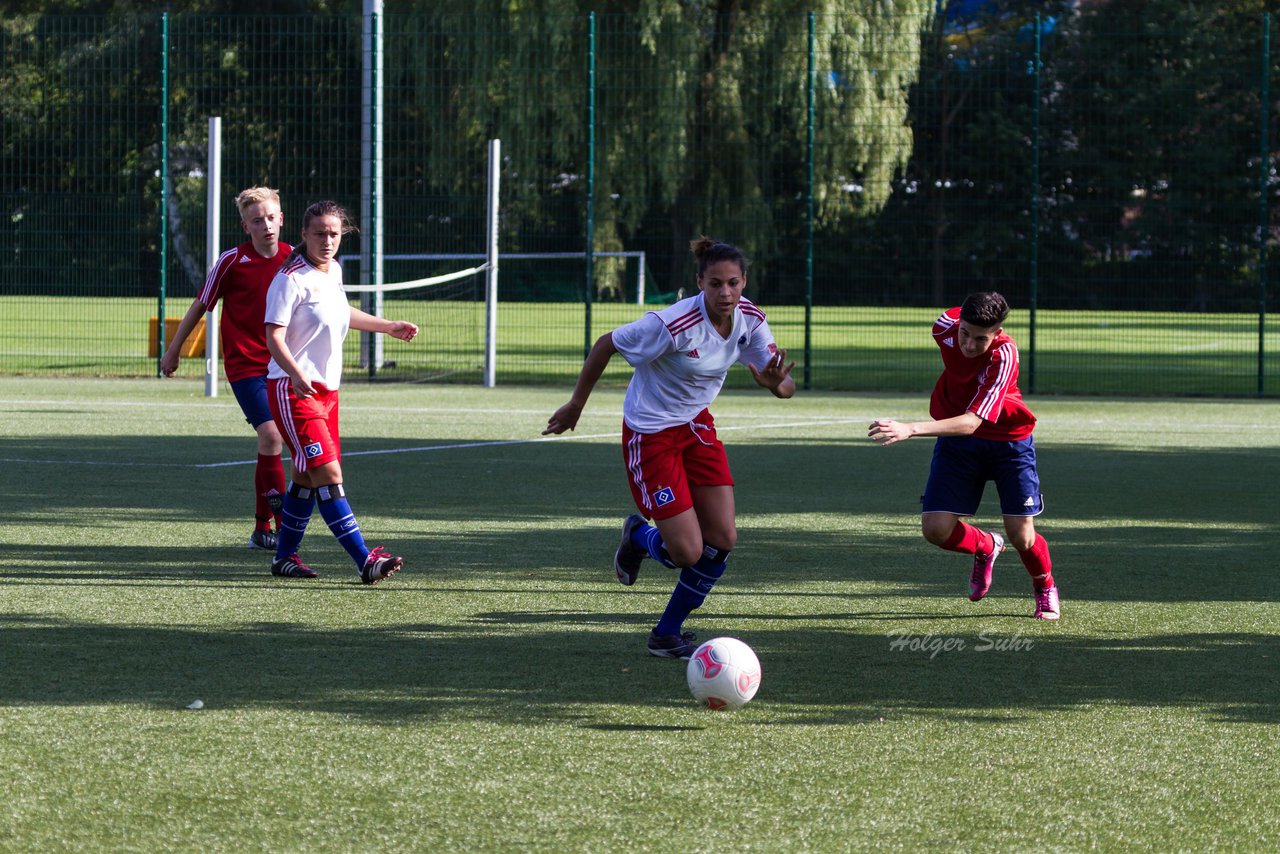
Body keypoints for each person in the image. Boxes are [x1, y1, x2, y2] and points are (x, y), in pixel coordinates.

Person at [544, 237, 796, 658]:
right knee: (686, 551)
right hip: (651, 433)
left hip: (696, 425)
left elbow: (783, 384)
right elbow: (607, 342)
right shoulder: (674, 323)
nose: (725, 293)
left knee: (723, 538)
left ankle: (666, 632)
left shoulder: (749, 318)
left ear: (744, 281)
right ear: (700, 282)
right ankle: (639, 536)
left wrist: (776, 386)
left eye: (733, 283)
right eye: (715, 284)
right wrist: (576, 405)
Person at [867, 291, 1060, 620]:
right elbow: (964, 423)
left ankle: (1044, 585)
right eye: (965, 334)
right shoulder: (945, 325)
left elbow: (973, 422)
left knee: (1022, 535)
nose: (969, 345)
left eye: (980, 339)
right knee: (935, 529)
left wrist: (911, 428)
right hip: (958, 441)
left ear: (997, 333)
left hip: (1006, 443)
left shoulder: (1004, 355)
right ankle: (986, 546)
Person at [263, 200, 419, 583]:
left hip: (327, 394)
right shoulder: (290, 278)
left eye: (334, 233)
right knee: (328, 473)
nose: (327, 240)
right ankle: (366, 560)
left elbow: (340, 311)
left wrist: (387, 326)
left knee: (305, 476)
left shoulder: (333, 270)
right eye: (319, 233)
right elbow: (273, 335)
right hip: (293, 390)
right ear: (303, 234)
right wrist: (296, 372)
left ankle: (284, 558)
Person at [161, 186, 291, 552]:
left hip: (284, 367)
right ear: (245, 226)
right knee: (271, 437)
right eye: (256, 220)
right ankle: (284, 530)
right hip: (246, 367)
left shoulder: (295, 260)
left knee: (285, 446)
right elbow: (201, 305)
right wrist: (174, 351)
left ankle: (261, 526)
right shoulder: (232, 261)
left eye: (270, 218)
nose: (265, 225)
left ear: (281, 219)